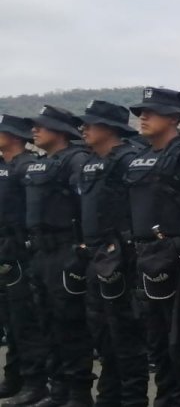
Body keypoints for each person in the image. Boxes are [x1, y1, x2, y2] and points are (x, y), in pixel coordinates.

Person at [125, 87, 180, 407]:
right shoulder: (140, 156)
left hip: (177, 259)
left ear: (174, 117)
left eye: (151, 112)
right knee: (157, 343)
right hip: (145, 259)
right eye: (140, 112)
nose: (142, 117)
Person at [78, 100, 148, 407]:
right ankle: (108, 398)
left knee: (125, 338)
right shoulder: (93, 161)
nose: (84, 129)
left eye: (90, 124)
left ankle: (132, 400)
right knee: (104, 339)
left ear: (109, 128)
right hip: (96, 257)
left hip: (121, 259)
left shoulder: (128, 160)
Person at [21, 106, 93, 407]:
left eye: (42, 126)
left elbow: (86, 208)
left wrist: (81, 250)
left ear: (61, 131)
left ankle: (78, 393)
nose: (34, 130)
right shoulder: (41, 163)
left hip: (65, 250)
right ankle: (58, 388)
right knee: (46, 320)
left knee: (70, 323)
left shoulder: (76, 161)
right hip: (40, 251)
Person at [0, 116, 40, 402]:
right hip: (4, 249)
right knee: (11, 322)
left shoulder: (26, 167)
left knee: (26, 322)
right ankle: (14, 377)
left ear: (14, 136)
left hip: (21, 251)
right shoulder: (4, 166)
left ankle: (35, 382)